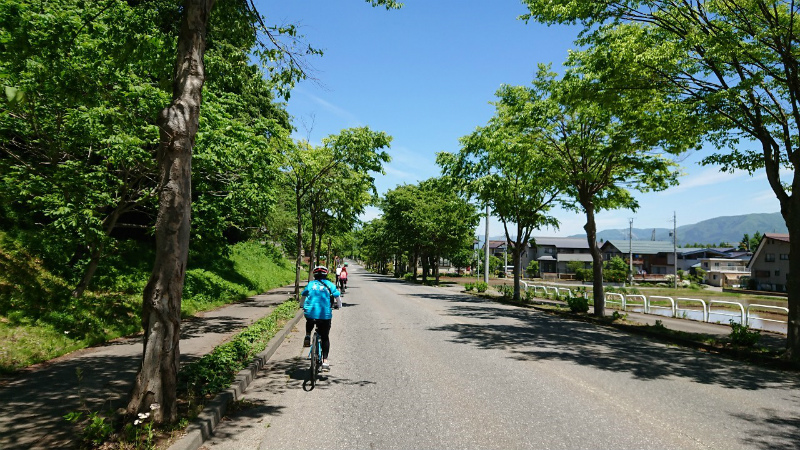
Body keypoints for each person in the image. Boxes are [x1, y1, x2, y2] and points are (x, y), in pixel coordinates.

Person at [302, 266, 340, 371]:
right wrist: (339, 306)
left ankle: (308, 335)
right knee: (325, 337)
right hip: (325, 315)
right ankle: (325, 361)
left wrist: (302, 305)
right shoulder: (329, 284)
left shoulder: (310, 284)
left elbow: (303, 296)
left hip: (310, 312)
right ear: (326, 275)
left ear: (314, 275)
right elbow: (337, 296)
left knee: (309, 319)